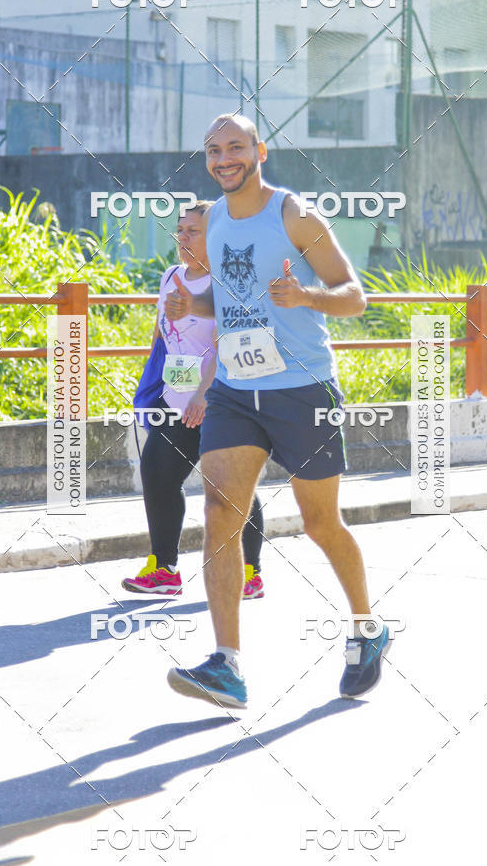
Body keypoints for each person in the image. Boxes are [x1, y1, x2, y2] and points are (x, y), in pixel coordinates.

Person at [165, 114, 391, 709]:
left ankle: (367, 628)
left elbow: (354, 296)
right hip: (236, 391)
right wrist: (196, 305)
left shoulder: (295, 215)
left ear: (259, 151)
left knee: (320, 524)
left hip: (302, 389)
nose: (224, 159)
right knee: (220, 511)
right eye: (214, 150)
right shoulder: (213, 219)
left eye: (235, 147)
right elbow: (231, 298)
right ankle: (226, 664)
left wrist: (305, 295)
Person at [121, 200, 265, 600]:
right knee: (157, 474)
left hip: (222, 402)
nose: (183, 237)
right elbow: (162, 335)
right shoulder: (171, 277)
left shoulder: (229, 284)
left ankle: (250, 574)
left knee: (231, 487)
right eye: (180, 230)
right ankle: (163, 570)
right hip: (175, 400)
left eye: (193, 231)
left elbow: (229, 345)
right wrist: (155, 386)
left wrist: (203, 394)